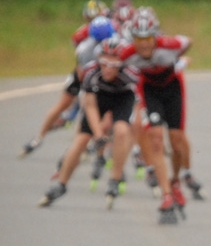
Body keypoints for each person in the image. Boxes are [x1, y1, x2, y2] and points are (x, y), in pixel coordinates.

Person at [37, 35, 140, 212]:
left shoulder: (132, 74)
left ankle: (114, 179)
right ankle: (61, 184)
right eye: (104, 63)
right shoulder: (91, 72)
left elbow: (139, 106)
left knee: (122, 131)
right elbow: (90, 107)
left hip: (123, 98)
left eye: (113, 65)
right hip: (99, 99)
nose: (107, 69)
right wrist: (99, 135)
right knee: (81, 140)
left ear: (122, 65)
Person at [119, 7, 199, 220]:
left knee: (177, 142)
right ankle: (165, 195)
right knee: (155, 139)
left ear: (156, 35)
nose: (144, 43)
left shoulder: (169, 46)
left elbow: (188, 41)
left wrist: (179, 60)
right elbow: (115, 65)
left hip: (173, 89)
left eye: (148, 38)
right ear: (132, 38)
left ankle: (175, 182)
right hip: (150, 90)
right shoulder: (128, 54)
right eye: (138, 38)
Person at [20, 3, 111, 157]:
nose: (92, 21)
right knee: (66, 104)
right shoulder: (82, 39)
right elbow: (82, 72)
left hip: (98, 74)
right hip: (84, 74)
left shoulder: (109, 31)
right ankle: (39, 137)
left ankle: (80, 144)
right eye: (90, 18)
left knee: (88, 110)